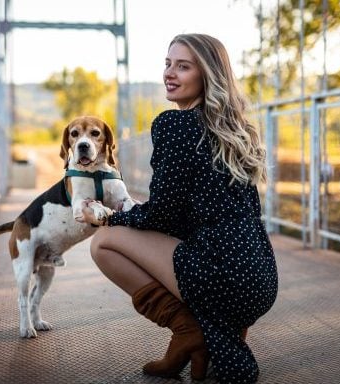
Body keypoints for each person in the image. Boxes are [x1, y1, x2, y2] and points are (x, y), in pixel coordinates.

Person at [80, 33, 278, 384]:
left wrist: (111, 216)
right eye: (167, 63)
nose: (169, 73)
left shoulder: (174, 124)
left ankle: (188, 330)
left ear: (207, 75)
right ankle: (209, 340)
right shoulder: (237, 130)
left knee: (104, 240)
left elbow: (163, 216)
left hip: (222, 276)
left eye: (182, 66)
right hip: (259, 278)